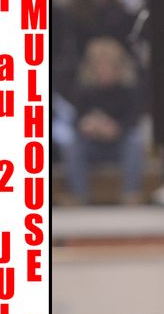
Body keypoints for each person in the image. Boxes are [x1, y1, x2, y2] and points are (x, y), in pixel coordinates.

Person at [60, 37, 147, 205]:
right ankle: (78, 195)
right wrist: (87, 126)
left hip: (120, 143)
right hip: (92, 143)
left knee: (135, 141)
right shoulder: (82, 90)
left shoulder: (129, 90)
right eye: (99, 66)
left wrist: (116, 128)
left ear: (118, 67)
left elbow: (133, 120)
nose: (103, 70)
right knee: (71, 145)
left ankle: (131, 193)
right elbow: (76, 120)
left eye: (108, 65)